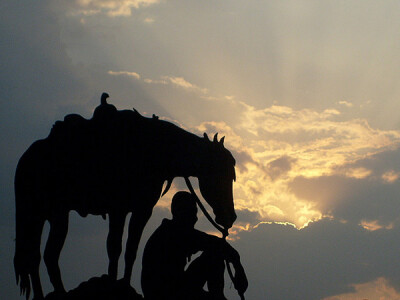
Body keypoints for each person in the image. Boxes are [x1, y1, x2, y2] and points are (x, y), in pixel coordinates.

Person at [141, 191, 247, 300]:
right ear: (180, 212)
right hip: (167, 294)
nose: (195, 218)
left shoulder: (168, 231)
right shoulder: (175, 233)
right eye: (192, 213)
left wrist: (238, 267)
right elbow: (219, 245)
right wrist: (238, 268)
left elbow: (215, 243)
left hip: (170, 289)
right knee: (214, 256)